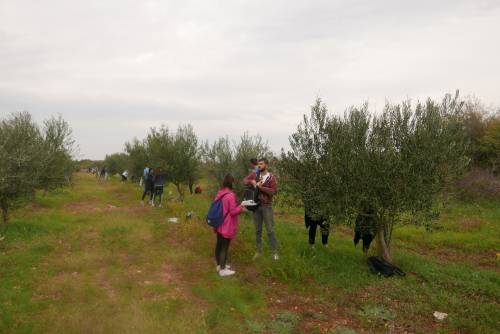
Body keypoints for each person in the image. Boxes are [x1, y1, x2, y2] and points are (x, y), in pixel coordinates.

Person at [244, 158, 279, 260]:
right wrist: (252, 182)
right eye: (258, 164)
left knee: (270, 230)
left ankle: (274, 252)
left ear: (266, 165)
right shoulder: (255, 175)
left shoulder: (271, 177)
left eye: (261, 164)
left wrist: (260, 187)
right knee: (257, 230)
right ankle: (258, 251)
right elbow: (244, 180)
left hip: (267, 207)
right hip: (256, 207)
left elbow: (273, 191)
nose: (259, 166)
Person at [213, 174, 246, 277]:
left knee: (219, 245)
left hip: (218, 222)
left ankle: (219, 265)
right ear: (231, 183)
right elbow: (232, 212)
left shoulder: (220, 193)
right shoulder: (230, 195)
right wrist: (241, 207)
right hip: (226, 224)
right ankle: (222, 270)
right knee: (224, 247)